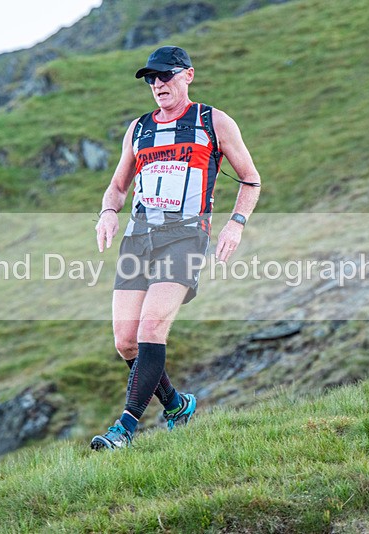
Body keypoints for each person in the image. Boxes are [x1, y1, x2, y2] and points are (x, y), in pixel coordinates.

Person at [91, 45, 261, 450]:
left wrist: (235, 225)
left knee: (153, 327)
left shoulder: (213, 122)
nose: (158, 84)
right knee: (126, 342)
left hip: (186, 236)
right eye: (151, 78)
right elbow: (118, 186)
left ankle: (124, 429)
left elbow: (251, 180)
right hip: (139, 237)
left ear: (188, 75)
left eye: (165, 75)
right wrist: (107, 212)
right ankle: (177, 404)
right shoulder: (139, 128)